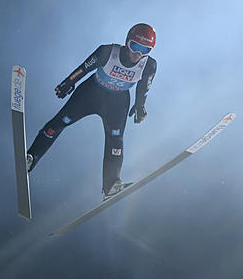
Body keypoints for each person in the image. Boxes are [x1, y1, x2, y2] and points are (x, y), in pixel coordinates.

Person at [26, 23, 157, 200]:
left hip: (117, 103)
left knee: (115, 141)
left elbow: (144, 87)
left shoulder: (149, 65)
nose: (138, 54)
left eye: (145, 50)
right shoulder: (107, 52)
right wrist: (68, 83)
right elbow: (84, 68)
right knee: (59, 122)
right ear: (127, 42)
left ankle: (111, 185)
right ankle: (31, 158)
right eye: (135, 46)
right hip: (90, 94)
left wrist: (140, 105)